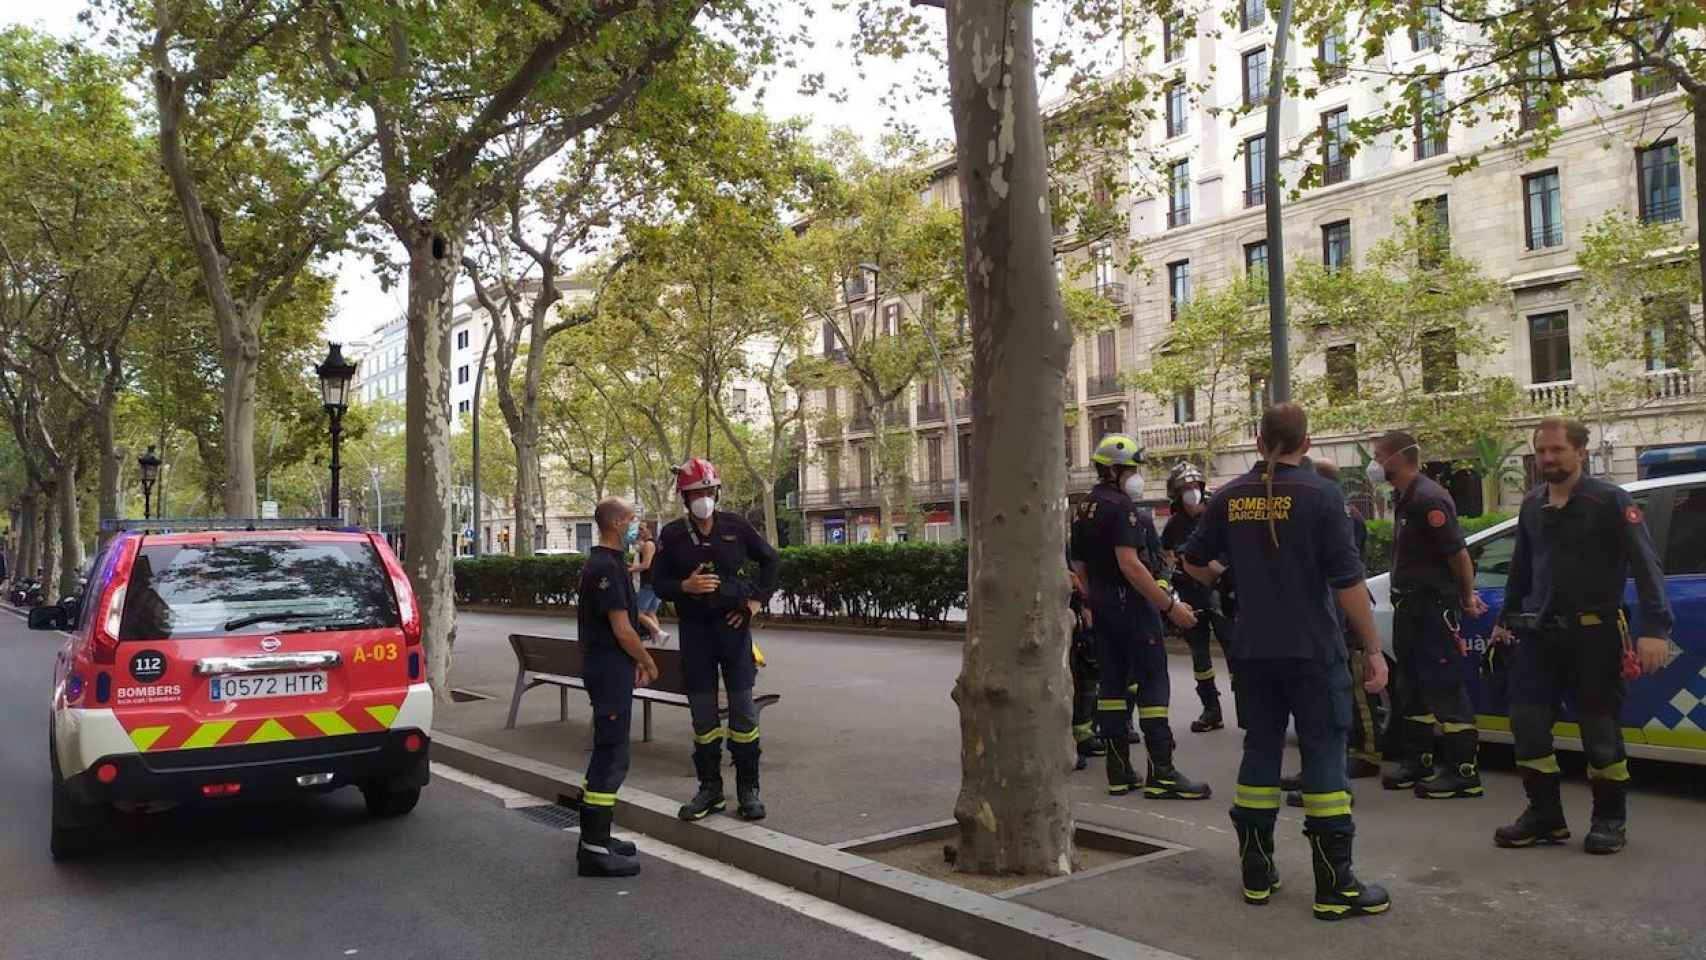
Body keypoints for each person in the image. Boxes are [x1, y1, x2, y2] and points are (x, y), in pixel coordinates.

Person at [1183, 403, 1390, 920]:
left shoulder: (1228, 497)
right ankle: (1334, 885)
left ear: (1258, 442)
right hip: (1313, 649)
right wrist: (1371, 647)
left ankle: (1257, 873)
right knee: (1323, 752)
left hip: (1252, 649)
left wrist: (1227, 579)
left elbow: (1190, 559)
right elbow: (1347, 584)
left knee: (1260, 752)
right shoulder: (1323, 496)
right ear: (1307, 442)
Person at [1491, 417, 1671, 855]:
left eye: (1557, 450)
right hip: (1537, 637)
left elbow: (1648, 568)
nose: (1548, 458)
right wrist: (1505, 618)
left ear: (1580, 453)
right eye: (1541, 451)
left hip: (1595, 637)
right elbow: (1522, 569)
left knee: (1600, 732)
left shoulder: (1610, 500)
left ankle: (1609, 819)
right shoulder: (1532, 504)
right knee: (1528, 725)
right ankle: (1544, 816)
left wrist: (1655, 629)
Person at [1070, 434, 1209, 800]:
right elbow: (1131, 566)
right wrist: (1171, 606)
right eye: (1131, 468)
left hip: (1103, 611)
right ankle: (1162, 773)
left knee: (1113, 688)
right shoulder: (1122, 508)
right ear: (1114, 469)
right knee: (1152, 685)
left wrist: (1092, 603)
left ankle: (1119, 772)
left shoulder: (1083, 509)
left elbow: (1079, 568)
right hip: (1133, 610)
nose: (1135, 475)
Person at [653, 458, 781, 822]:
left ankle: (748, 791)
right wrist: (684, 587)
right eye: (696, 493)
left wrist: (756, 602)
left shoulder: (736, 527)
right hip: (695, 635)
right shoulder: (673, 536)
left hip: (734, 632)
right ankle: (710, 790)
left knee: (743, 714)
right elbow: (656, 582)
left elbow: (771, 562)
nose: (703, 498)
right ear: (685, 497)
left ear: (716, 492)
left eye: (708, 491)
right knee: (703, 717)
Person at [1367, 431, 1488, 799]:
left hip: (1433, 608)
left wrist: (1466, 598)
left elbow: (1459, 555)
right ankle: (1417, 761)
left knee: (1444, 687)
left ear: (1397, 458)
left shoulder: (1428, 498)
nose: (1374, 464)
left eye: (1377, 456)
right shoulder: (1406, 499)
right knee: (1411, 687)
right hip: (1409, 608)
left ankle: (1463, 771)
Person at [575, 497, 661, 878]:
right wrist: (646, 659)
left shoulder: (609, 564)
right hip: (608, 670)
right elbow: (622, 628)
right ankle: (593, 848)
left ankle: (598, 838)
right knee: (611, 755)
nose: (635, 525)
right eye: (630, 519)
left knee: (610, 752)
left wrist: (633, 662)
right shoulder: (605, 567)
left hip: (612, 669)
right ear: (615, 524)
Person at [1161, 461, 1233, 733]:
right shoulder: (1174, 524)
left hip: (1219, 592)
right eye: (1186, 488)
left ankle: (1250, 712)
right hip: (1190, 595)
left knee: (1235, 652)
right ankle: (1211, 710)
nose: (1192, 492)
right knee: (1200, 657)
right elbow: (1166, 554)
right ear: (1177, 494)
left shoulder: (1215, 515)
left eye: (1195, 486)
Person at [1068, 551, 1103, 769]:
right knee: (1067, 681)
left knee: (1086, 677)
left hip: (1077, 613)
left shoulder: (1071, 536)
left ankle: (1083, 737)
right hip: (1057, 615)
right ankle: (1068, 742)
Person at [628, 520, 668, 645]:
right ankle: (657, 639)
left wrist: (629, 569)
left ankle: (659, 633)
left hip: (648, 583)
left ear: (650, 530)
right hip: (655, 582)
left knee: (638, 612)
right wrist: (633, 566)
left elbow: (646, 565)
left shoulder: (648, 545)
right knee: (650, 612)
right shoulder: (655, 544)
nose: (638, 532)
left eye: (641, 529)